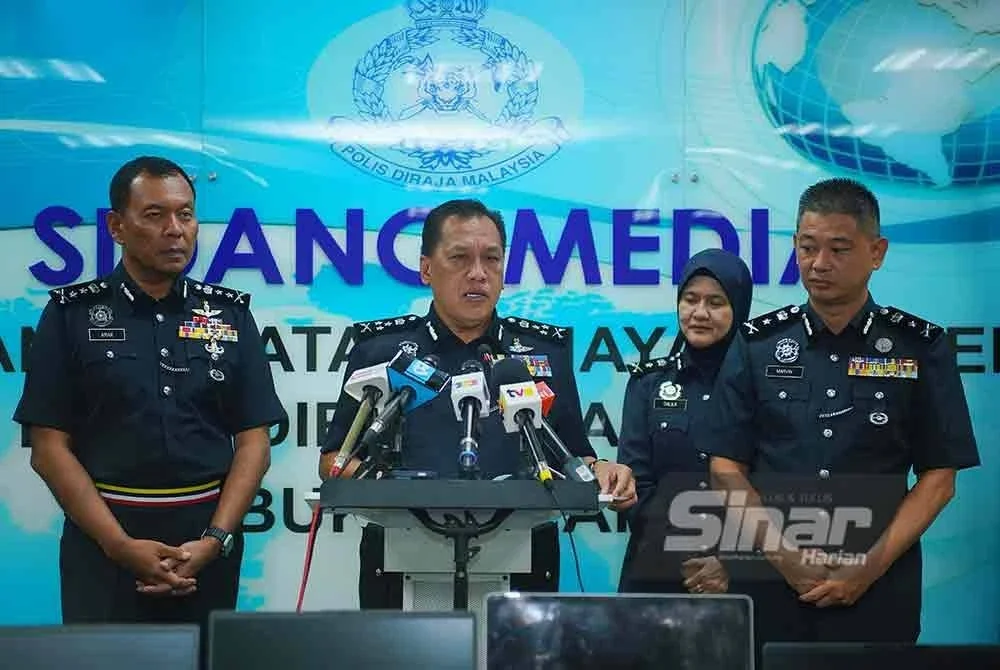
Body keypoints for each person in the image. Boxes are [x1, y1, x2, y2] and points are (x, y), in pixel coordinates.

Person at [703, 178, 980, 657]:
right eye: (807, 248)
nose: (819, 264)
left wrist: (867, 568)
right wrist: (785, 558)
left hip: (879, 589)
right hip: (771, 586)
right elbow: (726, 466)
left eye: (838, 248)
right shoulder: (757, 344)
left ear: (877, 252)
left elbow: (939, 478)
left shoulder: (920, 347)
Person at [13, 156, 287, 638]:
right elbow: (49, 448)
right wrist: (120, 546)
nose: (175, 230)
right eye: (155, 215)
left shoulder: (228, 315)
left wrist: (214, 540)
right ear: (117, 226)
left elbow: (254, 441)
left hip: (205, 547)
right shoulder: (71, 316)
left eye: (185, 214)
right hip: (103, 545)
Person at [318, 198, 637, 607]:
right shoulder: (381, 352)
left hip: (524, 565)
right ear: (427, 269)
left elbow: (574, 456)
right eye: (459, 258)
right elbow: (334, 460)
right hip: (398, 562)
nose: (478, 274)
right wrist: (390, 488)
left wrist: (604, 471)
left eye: (492, 259)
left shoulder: (543, 353)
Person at [617, 248, 753, 596]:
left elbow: (773, 480)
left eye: (716, 302)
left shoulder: (761, 384)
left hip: (740, 576)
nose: (700, 313)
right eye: (690, 299)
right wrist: (687, 553)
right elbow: (636, 484)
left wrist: (730, 561)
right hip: (656, 571)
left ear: (739, 308)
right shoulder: (649, 383)